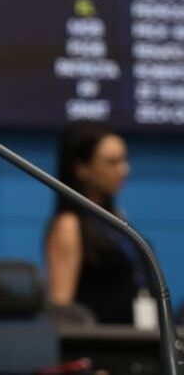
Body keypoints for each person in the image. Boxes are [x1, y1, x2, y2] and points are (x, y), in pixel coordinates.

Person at [44, 123, 153, 324]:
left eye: (124, 160)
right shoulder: (69, 225)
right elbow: (61, 308)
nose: (124, 170)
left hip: (139, 344)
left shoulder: (116, 219)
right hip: (101, 348)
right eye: (112, 162)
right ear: (81, 169)